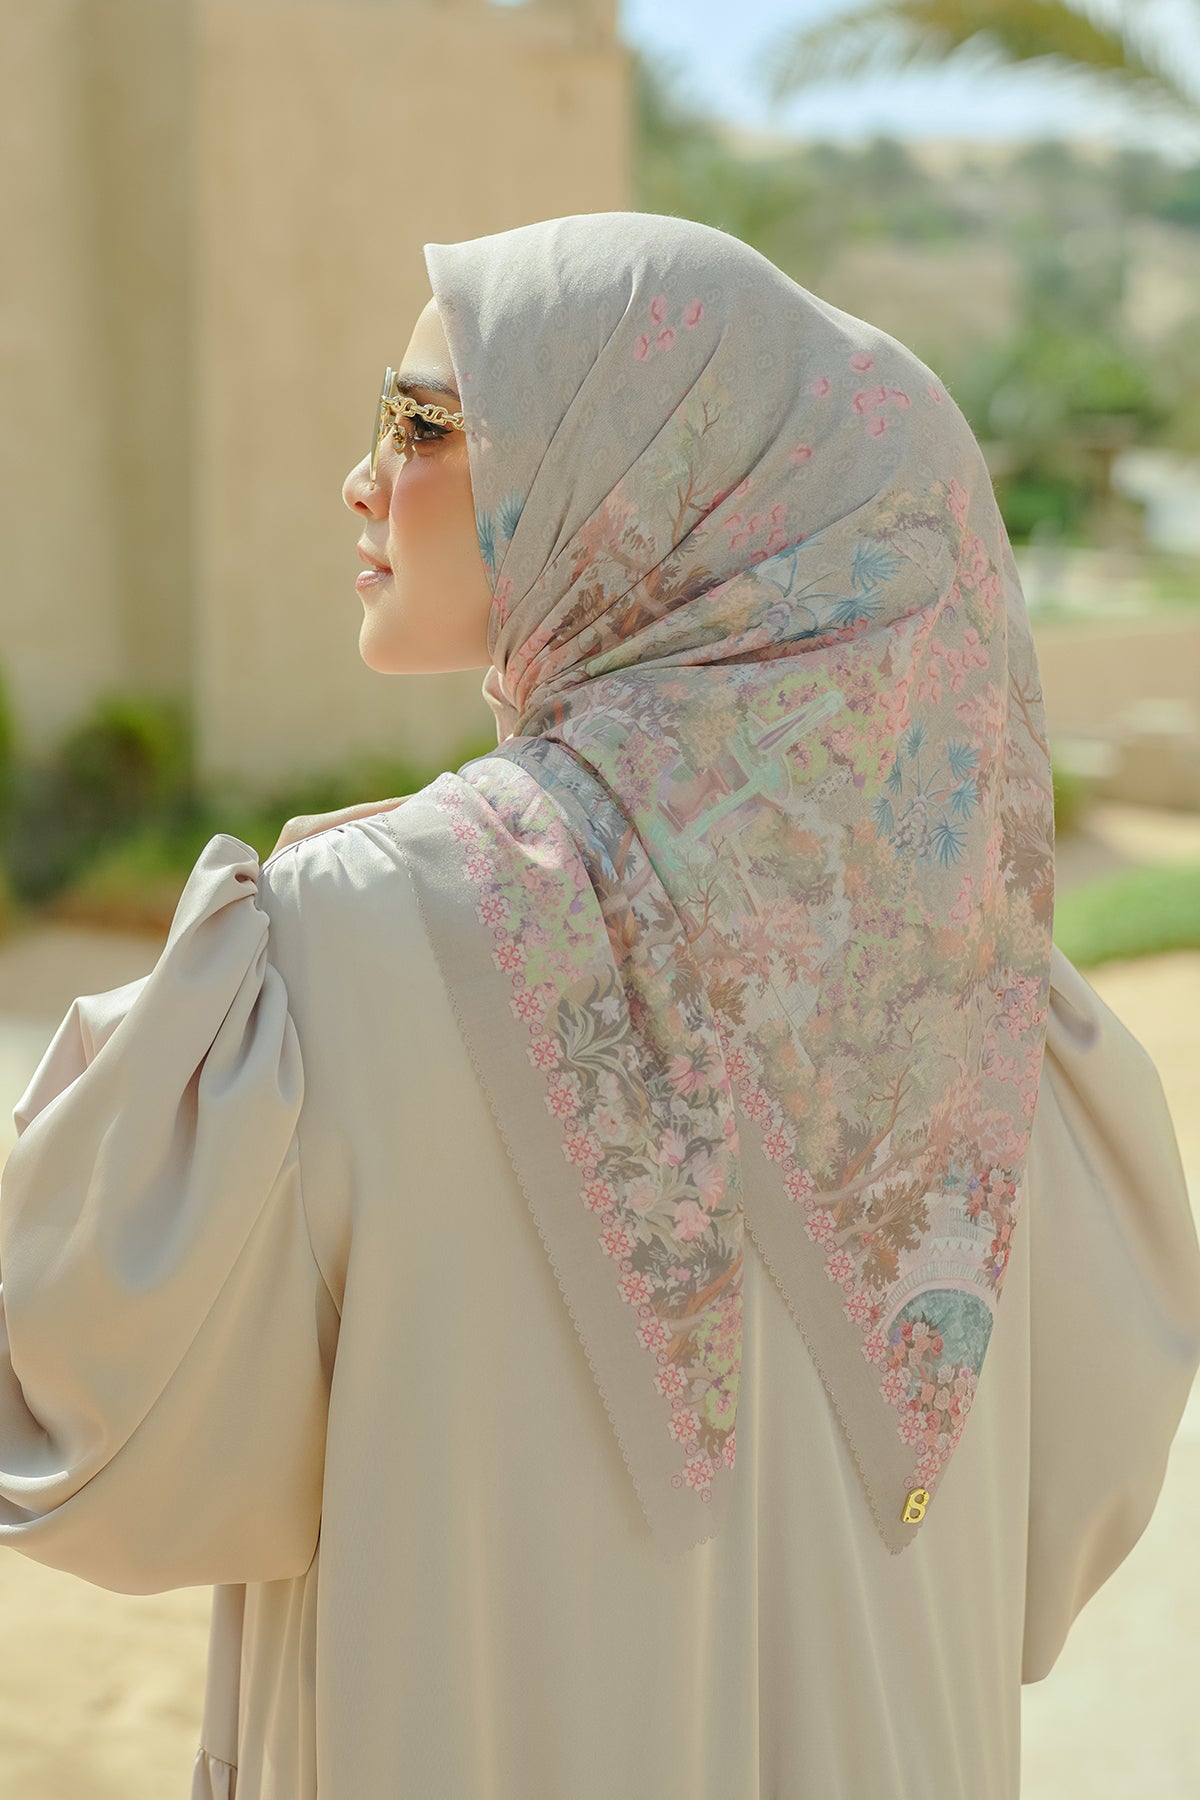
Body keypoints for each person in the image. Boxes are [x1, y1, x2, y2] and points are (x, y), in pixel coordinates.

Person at [1, 212, 1198, 1800]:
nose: (363, 479)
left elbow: (90, 1414)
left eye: (423, 421)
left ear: (641, 492)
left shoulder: (350, 936)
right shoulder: (994, 999)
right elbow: (1074, 1507)